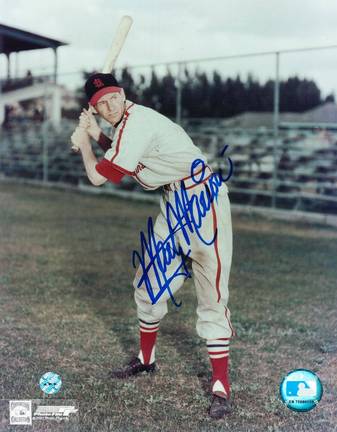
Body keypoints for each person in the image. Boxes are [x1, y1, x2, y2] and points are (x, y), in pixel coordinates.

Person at [71, 73, 236, 419]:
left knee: (211, 294)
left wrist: (85, 144)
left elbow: (100, 176)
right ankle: (146, 360)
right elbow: (128, 160)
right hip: (174, 200)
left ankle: (221, 386)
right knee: (149, 284)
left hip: (203, 201)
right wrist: (96, 134)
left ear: (123, 94)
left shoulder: (138, 122)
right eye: (102, 102)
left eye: (114, 97)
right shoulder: (128, 124)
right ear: (96, 107)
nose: (110, 104)